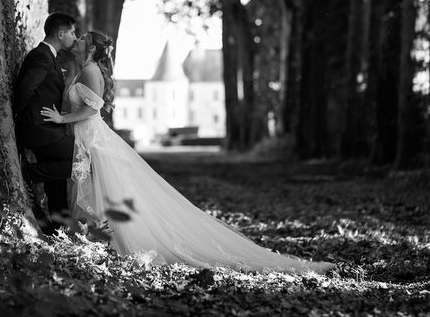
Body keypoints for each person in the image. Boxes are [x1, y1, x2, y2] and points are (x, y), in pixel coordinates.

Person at [41, 30, 335, 274]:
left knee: (101, 188)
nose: (76, 41)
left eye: (81, 39)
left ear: (91, 48)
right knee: (96, 189)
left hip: (91, 136)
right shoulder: (86, 69)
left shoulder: (90, 71)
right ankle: (93, 236)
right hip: (85, 136)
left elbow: (92, 109)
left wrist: (61, 119)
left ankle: (105, 238)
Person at [14, 12, 77, 233]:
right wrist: (17, 121)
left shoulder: (48, 57)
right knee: (82, 158)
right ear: (61, 34)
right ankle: (29, 173)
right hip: (38, 129)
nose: (74, 37)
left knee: (57, 184)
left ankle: (58, 230)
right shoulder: (41, 56)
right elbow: (25, 90)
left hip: (48, 128)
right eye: (72, 32)